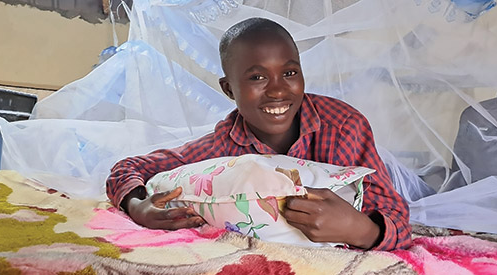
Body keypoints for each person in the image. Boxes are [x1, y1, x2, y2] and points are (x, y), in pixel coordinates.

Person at [107, 17, 411, 251]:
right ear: (229, 89)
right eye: (257, 77)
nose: (278, 90)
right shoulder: (223, 145)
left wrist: (361, 230)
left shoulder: (344, 127)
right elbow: (129, 167)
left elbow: (397, 217)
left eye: (290, 73)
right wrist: (137, 207)